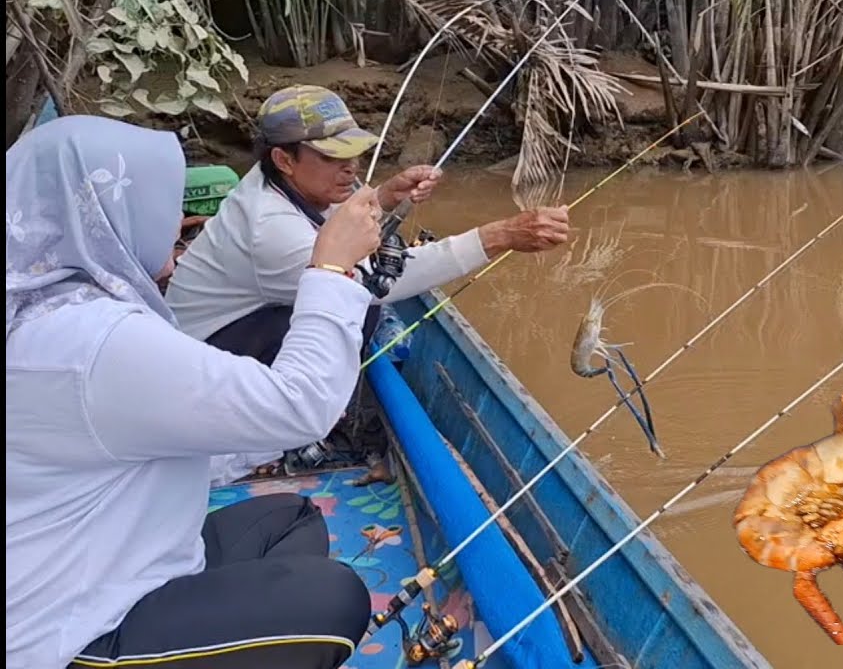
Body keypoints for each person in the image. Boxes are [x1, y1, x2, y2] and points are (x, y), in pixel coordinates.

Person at [6, 114, 386, 669]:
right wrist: (329, 267)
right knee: (333, 597)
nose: (178, 220)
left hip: (113, 557)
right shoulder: (95, 341)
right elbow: (302, 407)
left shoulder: (48, 309)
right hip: (69, 630)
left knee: (290, 519)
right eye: (162, 202)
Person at [165, 84, 573, 482]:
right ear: (284, 159)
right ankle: (259, 446)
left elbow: (342, 224)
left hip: (211, 343)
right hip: (202, 377)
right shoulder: (270, 229)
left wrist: (385, 196)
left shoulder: (274, 181)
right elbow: (378, 285)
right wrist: (498, 236)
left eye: (354, 153)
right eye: (333, 157)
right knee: (356, 313)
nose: (352, 168)